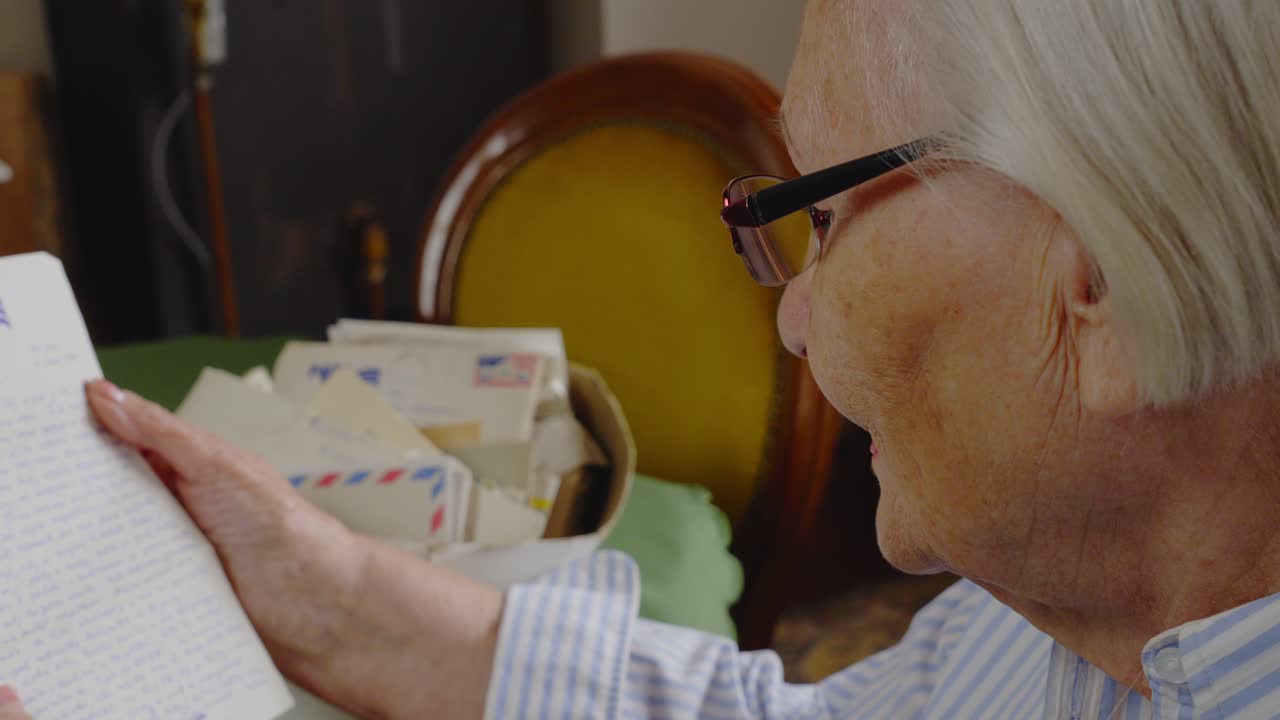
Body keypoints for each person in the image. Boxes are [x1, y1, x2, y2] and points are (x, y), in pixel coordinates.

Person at [6, 0, 1280, 717]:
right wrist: (327, 590)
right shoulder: (1070, 608)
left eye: (819, 216)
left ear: (1108, 282)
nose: (790, 318)